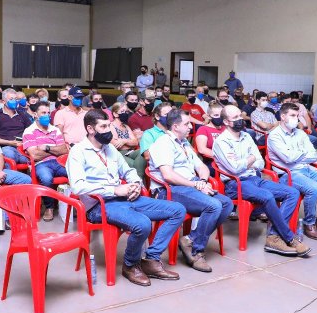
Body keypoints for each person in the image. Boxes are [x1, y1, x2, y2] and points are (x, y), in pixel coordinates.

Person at [66, 109, 186, 286]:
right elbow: (78, 186)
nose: (109, 131)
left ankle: (151, 259)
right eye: (104, 126)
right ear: (90, 129)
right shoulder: (78, 152)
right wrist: (114, 190)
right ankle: (130, 265)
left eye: (109, 126)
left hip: (124, 199)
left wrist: (135, 184)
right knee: (142, 223)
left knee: (177, 210)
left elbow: (128, 171)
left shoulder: (110, 149)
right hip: (98, 206)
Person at [212, 104, 309, 257]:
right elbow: (235, 169)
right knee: (267, 196)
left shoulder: (246, 136)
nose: (240, 120)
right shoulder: (222, 142)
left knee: (292, 192)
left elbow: (260, 162)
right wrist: (250, 159)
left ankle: (273, 236)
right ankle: (288, 237)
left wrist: (246, 161)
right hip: (235, 184)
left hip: (254, 179)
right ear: (225, 122)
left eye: (240, 116)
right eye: (235, 118)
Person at [148, 109, 233, 273]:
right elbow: (168, 175)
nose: (190, 127)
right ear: (175, 126)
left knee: (226, 204)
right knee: (214, 206)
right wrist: (194, 185)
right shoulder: (163, 143)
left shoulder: (184, 143)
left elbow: (201, 166)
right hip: (170, 189)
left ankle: (190, 240)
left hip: (189, 185)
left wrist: (201, 181)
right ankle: (196, 251)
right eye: (187, 124)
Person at [268, 103, 317, 241]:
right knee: (313, 188)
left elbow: (313, 155)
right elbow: (288, 159)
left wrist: (296, 155)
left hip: (307, 170)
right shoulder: (275, 136)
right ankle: (309, 224)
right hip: (288, 174)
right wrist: (301, 154)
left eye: (297, 116)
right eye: (292, 115)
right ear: (283, 116)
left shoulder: (300, 133)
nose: (296, 119)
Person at [22, 102, 69, 221]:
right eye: (43, 113)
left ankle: (75, 205)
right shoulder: (29, 131)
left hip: (59, 162)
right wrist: (54, 150)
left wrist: (47, 148)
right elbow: (35, 155)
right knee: (46, 178)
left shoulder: (55, 130)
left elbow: (64, 150)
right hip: (41, 164)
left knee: (74, 173)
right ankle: (49, 207)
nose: (47, 115)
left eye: (48, 113)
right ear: (35, 115)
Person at [0, 88, 33, 164]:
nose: (14, 101)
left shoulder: (22, 115)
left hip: (22, 147)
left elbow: (31, 131)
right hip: (5, 147)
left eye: (15, 99)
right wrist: (9, 142)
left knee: (27, 159)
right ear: (4, 101)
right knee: (9, 154)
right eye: (11, 99)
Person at [109, 101, 145, 179]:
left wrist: (123, 141)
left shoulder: (126, 126)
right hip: (118, 154)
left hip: (130, 152)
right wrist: (129, 142)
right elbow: (116, 145)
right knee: (134, 165)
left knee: (143, 151)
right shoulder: (111, 126)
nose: (125, 113)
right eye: (122, 111)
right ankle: (141, 182)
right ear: (115, 114)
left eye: (126, 111)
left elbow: (135, 142)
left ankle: (139, 182)